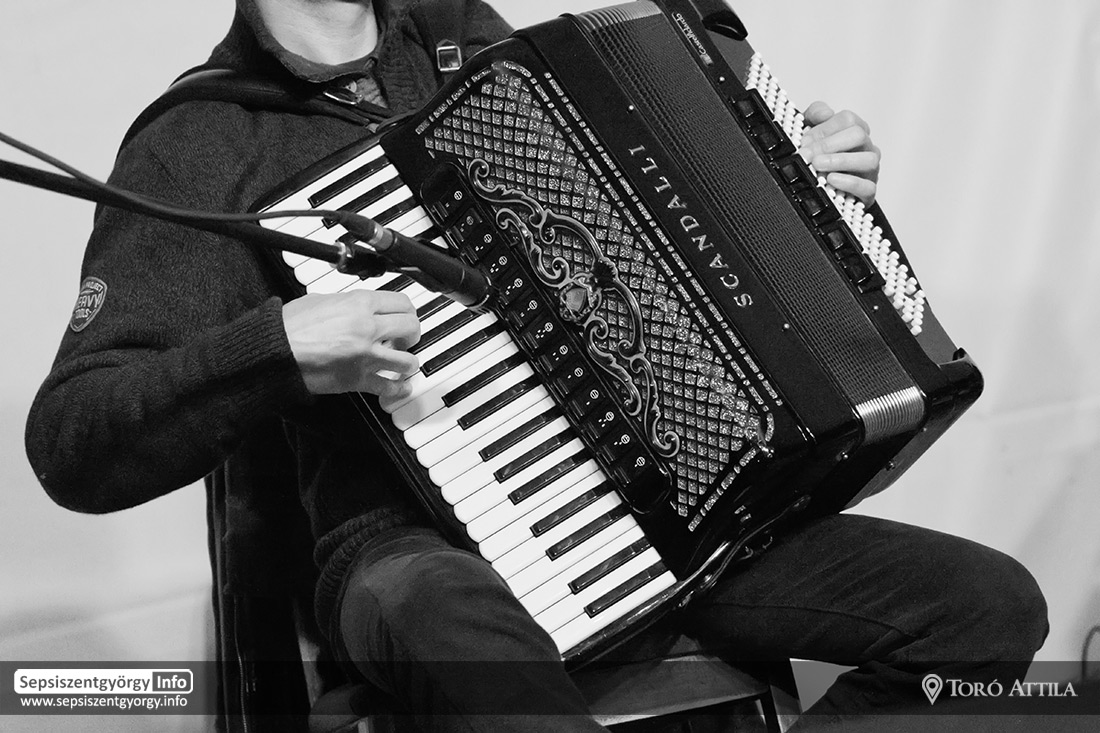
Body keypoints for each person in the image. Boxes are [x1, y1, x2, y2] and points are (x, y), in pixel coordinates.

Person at [25, 0, 1047, 730]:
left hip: (655, 514)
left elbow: (679, 256)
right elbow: (75, 439)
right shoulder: (201, 142)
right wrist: (278, 347)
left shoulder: (477, 45)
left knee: (983, 608)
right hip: (406, 547)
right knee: (452, 614)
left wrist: (805, 178)